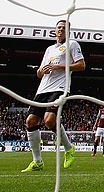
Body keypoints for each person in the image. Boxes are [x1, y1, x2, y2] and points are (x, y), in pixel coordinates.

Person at [21, 20, 84, 172]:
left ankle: (69, 149)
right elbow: (38, 73)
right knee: (30, 121)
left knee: (49, 120)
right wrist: (43, 71)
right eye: (59, 27)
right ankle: (37, 161)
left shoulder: (72, 44)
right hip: (42, 89)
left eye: (64, 28)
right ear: (55, 30)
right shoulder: (49, 49)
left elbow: (81, 65)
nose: (61, 30)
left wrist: (59, 66)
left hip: (60, 88)